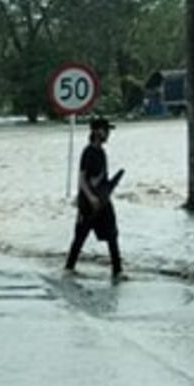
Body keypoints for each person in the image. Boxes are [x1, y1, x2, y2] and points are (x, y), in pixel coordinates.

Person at [65, 114, 125, 277]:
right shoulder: (88, 152)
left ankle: (117, 271)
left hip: (103, 201)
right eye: (106, 130)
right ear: (97, 132)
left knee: (112, 234)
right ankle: (69, 268)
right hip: (88, 203)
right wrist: (91, 197)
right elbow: (82, 178)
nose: (108, 134)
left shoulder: (102, 153)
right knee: (80, 237)